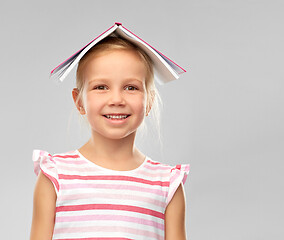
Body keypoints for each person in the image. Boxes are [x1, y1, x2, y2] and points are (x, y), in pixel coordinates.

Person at [30, 24, 190, 240]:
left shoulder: (166, 184)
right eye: (101, 87)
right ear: (79, 101)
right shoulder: (55, 176)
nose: (116, 100)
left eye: (131, 87)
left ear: (149, 101)